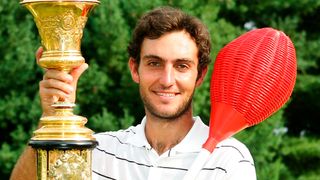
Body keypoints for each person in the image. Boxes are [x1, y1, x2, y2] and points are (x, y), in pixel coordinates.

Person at [10, 6, 256, 180]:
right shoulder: (98, 151)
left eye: (181, 66)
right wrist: (50, 121)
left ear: (199, 75)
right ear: (134, 69)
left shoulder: (228, 159)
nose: (167, 80)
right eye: (154, 63)